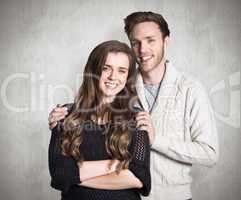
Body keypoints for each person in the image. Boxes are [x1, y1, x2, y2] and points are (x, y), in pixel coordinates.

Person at [49, 12, 219, 200]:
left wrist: (157, 140)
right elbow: (90, 109)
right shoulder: (122, 84)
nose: (142, 49)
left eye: (150, 40)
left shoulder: (190, 90)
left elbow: (209, 153)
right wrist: (65, 117)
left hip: (170, 196)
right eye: (135, 42)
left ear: (166, 41)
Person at [48, 40, 151, 200]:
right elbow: (59, 175)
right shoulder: (66, 115)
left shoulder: (137, 118)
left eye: (121, 71)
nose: (113, 77)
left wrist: (75, 174)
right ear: (93, 71)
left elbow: (139, 178)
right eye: (106, 68)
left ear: (128, 77)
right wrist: (118, 165)